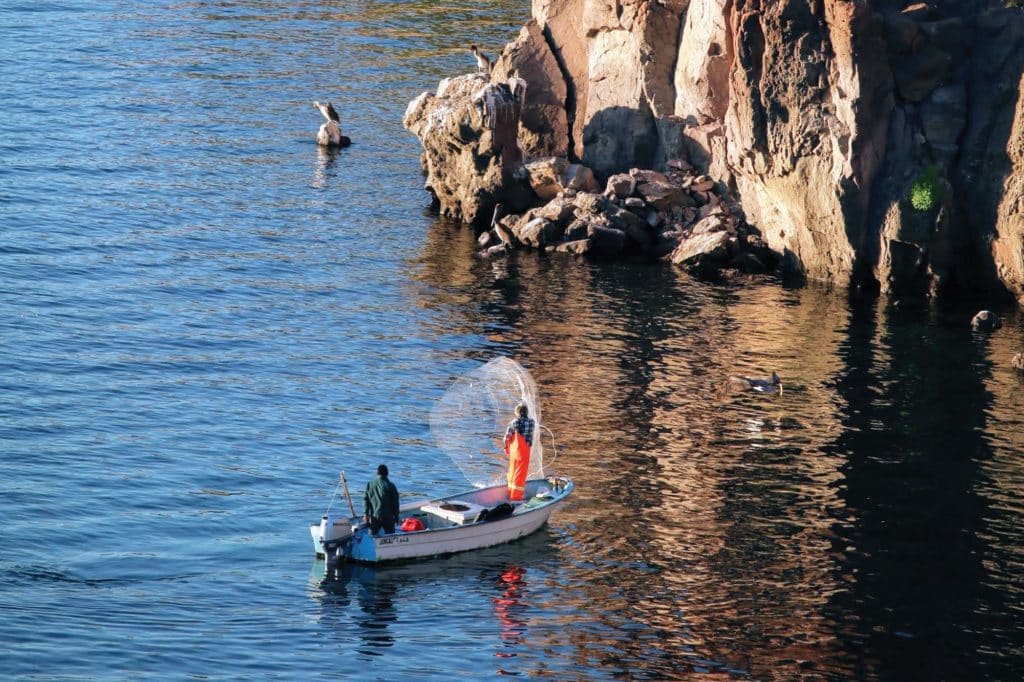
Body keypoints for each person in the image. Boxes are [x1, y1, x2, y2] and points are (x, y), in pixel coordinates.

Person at [503, 403, 535, 501]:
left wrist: (506, 448)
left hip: (514, 453)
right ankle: (516, 497)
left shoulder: (513, 422)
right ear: (526, 412)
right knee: (520, 473)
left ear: (517, 412)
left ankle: (510, 493)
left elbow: (506, 438)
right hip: (524, 452)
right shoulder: (531, 422)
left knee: (512, 471)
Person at [363, 464, 400, 535]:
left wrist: (366, 514)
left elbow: (365, 500)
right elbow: (395, 503)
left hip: (375, 516)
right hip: (388, 517)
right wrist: (396, 517)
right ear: (387, 474)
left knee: (372, 537)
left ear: (377, 473)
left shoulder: (370, 484)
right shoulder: (391, 486)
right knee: (390, 536)